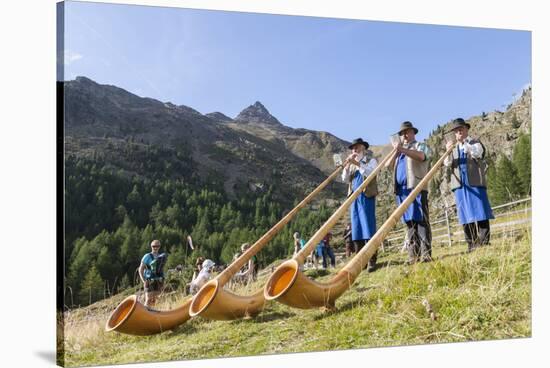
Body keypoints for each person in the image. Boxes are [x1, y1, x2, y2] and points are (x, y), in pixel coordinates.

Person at [444, 118, 494, 252]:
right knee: (465, 214)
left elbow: (477, 153)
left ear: (466, 129)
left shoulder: (475, 143)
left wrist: (464, 144)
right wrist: (448, 152)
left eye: (461, 129)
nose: (458, 132)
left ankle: (484, 242)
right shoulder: (452, 148)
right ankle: (472, 243)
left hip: (475, 182)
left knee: (481, 211)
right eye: (456, 131)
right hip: (460, 185)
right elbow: (447, 163)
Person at [386, 121, 432, 264]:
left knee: (421, 221)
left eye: (407, 132)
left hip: (416, 187)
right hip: (402, 191)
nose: (405, 135)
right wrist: (396, 151)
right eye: (402, 133)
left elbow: (422, 156)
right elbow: (388, 166)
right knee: (410, 223)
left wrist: (403, 150)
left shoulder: (420, 145)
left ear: (413, 133)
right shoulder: (398, 151)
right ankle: (413, 255)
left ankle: (426, 254)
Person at [342, 138, 379, 272]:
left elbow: (371, 174)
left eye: (356, 147)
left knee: (368, 227)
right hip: (354, 198)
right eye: (353, 148)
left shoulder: (371, 161)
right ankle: (360, 261)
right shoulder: (351, 164)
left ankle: (371, 260)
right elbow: (344, 179)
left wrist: (357, 164)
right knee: (356, 229)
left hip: (366, 196)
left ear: (363, 148)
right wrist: (346, 166)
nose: (354, 150)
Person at [138, 240, 167, 307]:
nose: (155, 248)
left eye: (157, 246)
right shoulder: (147, 256)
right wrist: (143, 280)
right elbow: (140, 269)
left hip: (159, 280)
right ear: (151, 247)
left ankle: (153, 314)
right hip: (149, 280)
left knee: (156, 299)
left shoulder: (161, 257)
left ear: (159, 247)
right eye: (154, 246)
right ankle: (145, 313)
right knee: (148, 299)